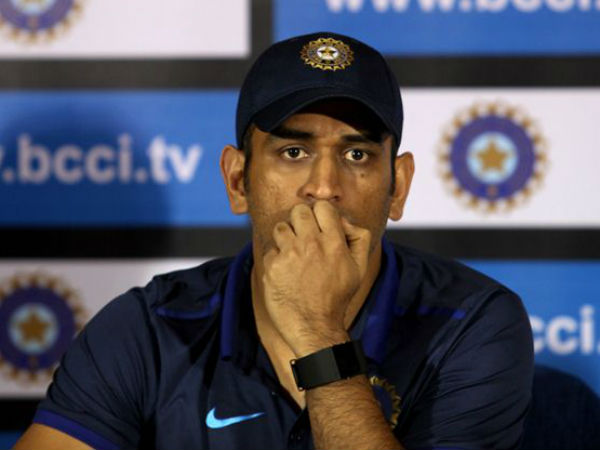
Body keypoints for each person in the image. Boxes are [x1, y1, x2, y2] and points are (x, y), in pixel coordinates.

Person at [15, 32, 533, 450]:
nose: (324, 187)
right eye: (293, 152)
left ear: (397, 187)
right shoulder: (148, 329)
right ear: (238, 181)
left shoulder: (473, 324)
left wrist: (317, 333)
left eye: (356, 155)